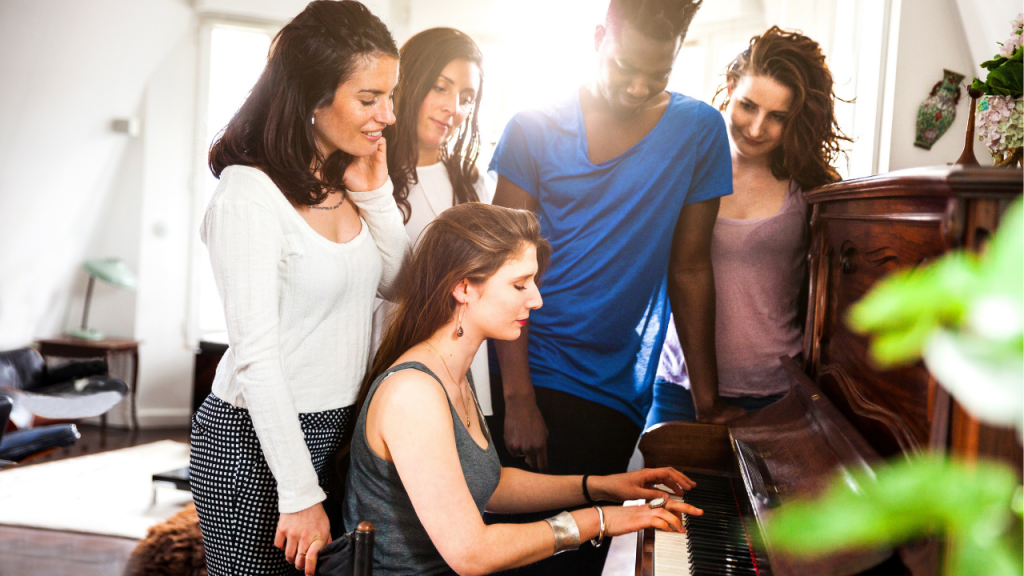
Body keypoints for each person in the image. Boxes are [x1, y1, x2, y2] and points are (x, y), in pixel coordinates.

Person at [486, 0, 731, 571]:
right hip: (526, 369)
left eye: (659, 74)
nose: (640, 86)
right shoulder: (533, 125)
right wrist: (518, 398)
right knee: (509, 551)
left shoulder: (699, 131)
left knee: (578, 557)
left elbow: (691, 267)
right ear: (598, 37)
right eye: (626, 67)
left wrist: (710, 402)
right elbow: (500, 265)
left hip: (613, 391)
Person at [344, 202, 702, 576]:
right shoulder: (413, 393)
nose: (536, 299)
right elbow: (472, 554)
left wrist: (603, 486)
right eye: (519, 284)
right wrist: (599, 520)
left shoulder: (453, 372)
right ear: (464, 287)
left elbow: (489, 484)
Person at [189, 2, 408, 575]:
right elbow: (257, 360)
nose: (387, 114)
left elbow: (399, 283)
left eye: (391, 96)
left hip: (337, 427)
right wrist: (299, 492)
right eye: (369, 99)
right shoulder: (247, 196)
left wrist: (376, 192)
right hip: (254, 443)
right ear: (312, 97)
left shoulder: (344, 179)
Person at [647, 26, 850, 427]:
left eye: (778, 117)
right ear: (730, 86)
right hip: (676, 385)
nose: (757, 128)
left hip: (774, 389)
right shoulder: (684, 166)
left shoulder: (810, 186)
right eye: (748, 106)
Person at [373, 27, 495, 413]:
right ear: (407, 82)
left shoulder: (473, 183)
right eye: (441, 88)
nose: (454, 108)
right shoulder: (365, 174)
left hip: (461, 376)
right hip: (383, 368)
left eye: (466, 98)